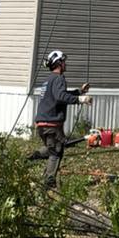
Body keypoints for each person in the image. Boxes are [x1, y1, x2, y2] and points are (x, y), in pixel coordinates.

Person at [33, 49, 90, 189]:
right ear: (58, 63)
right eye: (63, 61)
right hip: (52, 124)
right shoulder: (59, 79)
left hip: (42, 124)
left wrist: (79, 91)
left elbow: (58, 94)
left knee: (52, 148)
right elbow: (60, 96)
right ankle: (49, 183)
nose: (65, 64)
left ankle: (33, 156)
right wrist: (79, 99)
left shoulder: (49, 80)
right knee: (56, 152)